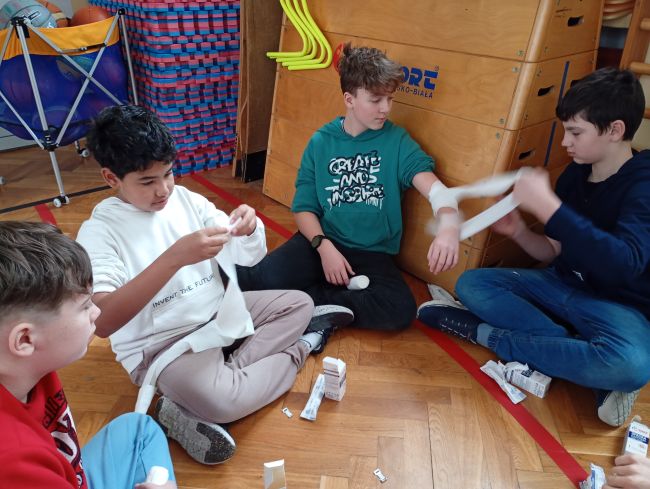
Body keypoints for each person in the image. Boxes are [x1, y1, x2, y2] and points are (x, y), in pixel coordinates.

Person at [76, 105, 338, 466]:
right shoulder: (99, 232)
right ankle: (303, 346)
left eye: (169, 173)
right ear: (111, 178)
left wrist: (248, 228)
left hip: (218, 315)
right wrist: (174, 258)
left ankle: (222, 379)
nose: (163, 189)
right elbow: (103, 321)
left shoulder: (186, 200)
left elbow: (247, 258)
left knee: (299, 305)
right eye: (147, 182)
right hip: (163, 346)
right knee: (222, 402)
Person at [417, 67, 650, 427]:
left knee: (631, 365)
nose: (565, 142)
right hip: (561, 287)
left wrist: (549, 207)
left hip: (619, 307)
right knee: (473, 284)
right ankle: (575, 355)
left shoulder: (644, 183)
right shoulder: (575, 173)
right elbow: (553, 251)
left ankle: (486, 335)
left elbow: (625, 263)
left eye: (576, 132)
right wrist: (520, 233)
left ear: (615, 130)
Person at [237, 43, 461, 331]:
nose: (385, 108)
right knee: (258, 280)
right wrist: (324, 248)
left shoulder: (397, 141)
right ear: (349, 99)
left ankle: (311, 300)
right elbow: (304, 208)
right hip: (320, 242)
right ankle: (319, 296)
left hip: (371, 254)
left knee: (399, 309)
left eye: (390, 99)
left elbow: (438, 191)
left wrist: (449, 227)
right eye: (376, 100)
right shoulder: (321, 142)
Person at [0, 221, 176, 489]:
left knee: (139, 430)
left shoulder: (27, 366)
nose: (96, 312)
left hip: (63, 473)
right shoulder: (14, 460)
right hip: (41, 474)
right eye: (85, 306)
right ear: (25, 339)